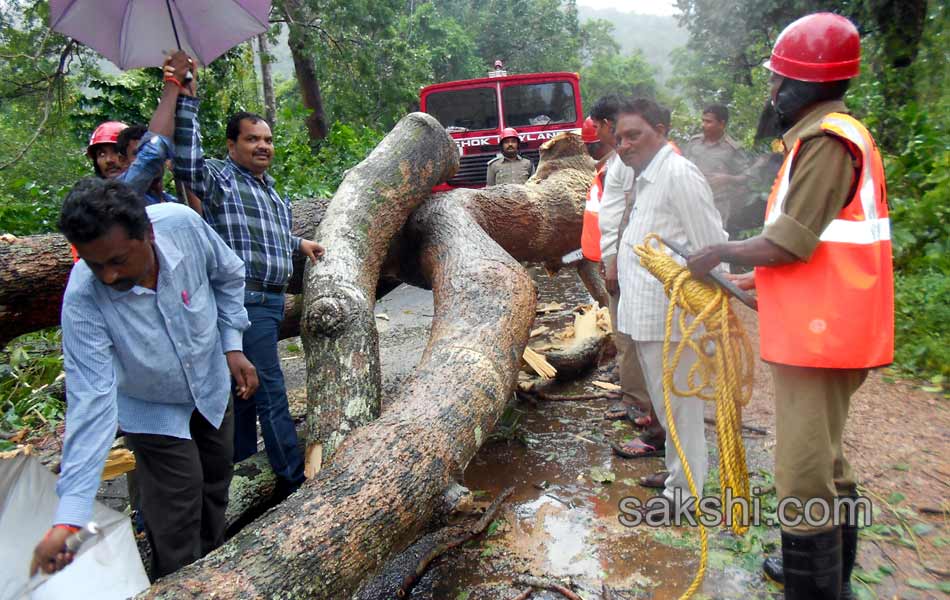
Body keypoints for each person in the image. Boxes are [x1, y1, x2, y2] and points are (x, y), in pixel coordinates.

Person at [687, 13, 891, 600]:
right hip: (829, 326)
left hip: (823, 337)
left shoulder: (826, 142)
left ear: (805, 85)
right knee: (826, 462)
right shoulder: (829, 137)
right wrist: (754, 278)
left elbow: (790, 241)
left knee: (801, 474)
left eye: (779, 80)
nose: (772, 91)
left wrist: (721, 250)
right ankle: (833, 579)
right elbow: (819, 247)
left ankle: (815, 588)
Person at [31, 178, 258, 579]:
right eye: (93, 263)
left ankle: (214, 572)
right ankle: (178, 582)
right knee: (176, 506)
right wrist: (69, 519)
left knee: (215, 484)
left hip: (209, 385)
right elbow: (91, 403)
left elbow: (228, 276)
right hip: (151, 408)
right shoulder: (83, 300)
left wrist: (232, 343)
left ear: (148, 235)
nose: (107, 276)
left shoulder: (183, 226)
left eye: (117, 261)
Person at [177, 110, 324, 498]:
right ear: (231, 145)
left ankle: (242, 475)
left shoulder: (269, 190)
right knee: (271, 390)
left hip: (271, 301)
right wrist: (187, 102)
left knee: (245, 390)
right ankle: (294, 482)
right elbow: (187, 163)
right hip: (244, 302)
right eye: (252, 139)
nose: (263, 146)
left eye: (268, 140)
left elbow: (271, 233)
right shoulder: (220, 181)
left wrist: (299, 244)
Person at [613, 97, 727, 509]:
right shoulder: (646, 178)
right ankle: (679, 476)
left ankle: (685, 496)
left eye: (634, 135)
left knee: (681, 412)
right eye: (620, 137)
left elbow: (711, 245)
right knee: (667, 407)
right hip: (647, 318)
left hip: (672, 318)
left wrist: (711, 316)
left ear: (661, 131)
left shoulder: (679, 174)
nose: (624, 144)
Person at [590, 95, 658, 445]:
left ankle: (643, 408)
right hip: (619, 258)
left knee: (634, 335)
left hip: (630, 261)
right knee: (625, 333)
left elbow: (627, 215)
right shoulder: (615, 160)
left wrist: (614, 262)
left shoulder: (635, 161)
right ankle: (634, 396)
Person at [683, 104, 748, 231]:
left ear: (722, 124)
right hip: (690, 202)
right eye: (703, 120)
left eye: (708, 122)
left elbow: (747, 176)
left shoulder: (732, 148)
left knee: (713, 242)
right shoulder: (694, 142)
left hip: (716, 206)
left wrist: (728, 179)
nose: (703, 125)